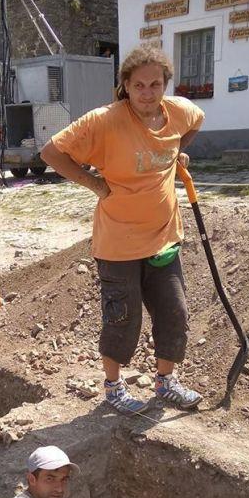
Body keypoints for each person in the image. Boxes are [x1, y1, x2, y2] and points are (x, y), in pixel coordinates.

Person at [41, 44, 205, 415]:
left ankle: (166, 383)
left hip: (164, 236)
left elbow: (196, 121)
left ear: (166, 85)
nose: (148, 93)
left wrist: (177, 152)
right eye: (140, 86)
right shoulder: (105, 120)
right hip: (117, 244)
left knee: (173, 314)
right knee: (123, 319)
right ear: (126, 86)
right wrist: (94, 184)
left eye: (155, 85)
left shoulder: (178, 111)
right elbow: (51, 153)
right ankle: (113, 388)